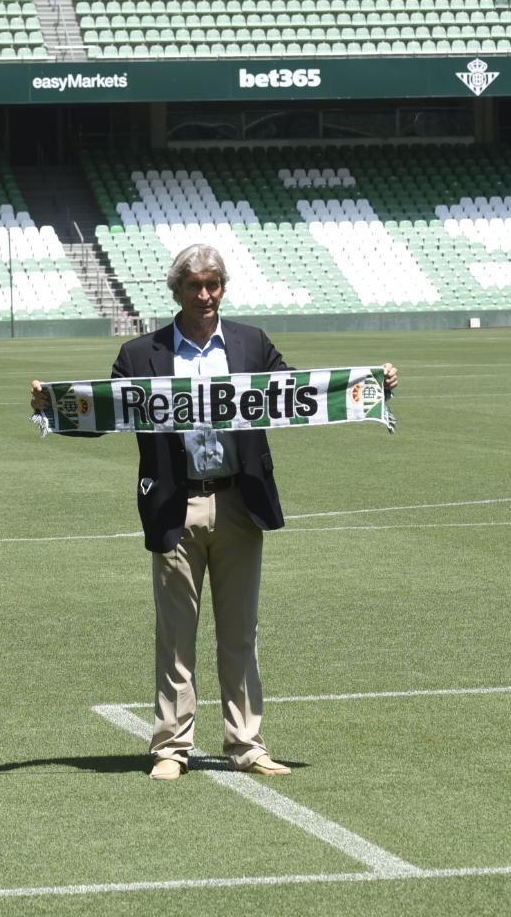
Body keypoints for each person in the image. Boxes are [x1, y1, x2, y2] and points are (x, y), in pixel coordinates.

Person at [32, 244, 397, 779]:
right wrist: (55, 407)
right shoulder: (141, 353)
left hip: (239, 503)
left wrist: (369, 386)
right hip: (173, 506)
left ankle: (246, 744)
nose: (205, 295)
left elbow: (299, 395)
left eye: (213, 284)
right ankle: (170, 747)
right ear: (177, 290)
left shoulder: (251, 343)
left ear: (223, 288)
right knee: (176, 635)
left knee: (240, 633)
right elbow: (107, 411)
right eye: (195, 286)